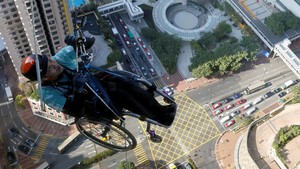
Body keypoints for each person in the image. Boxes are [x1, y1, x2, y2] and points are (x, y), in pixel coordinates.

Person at [20, 37, 176, 126]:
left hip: (95, 84)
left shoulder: (58, 59)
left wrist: (79, 40)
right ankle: (161, 117)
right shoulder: (47, 93)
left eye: (49, 60)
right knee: (120, 92)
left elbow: (89, 43)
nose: (54, 65)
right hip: (91, 106)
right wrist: (78, 90)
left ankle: (159, 109)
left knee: (122, 80)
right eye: (49, 69)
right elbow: (75, 111)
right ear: (44, 78)